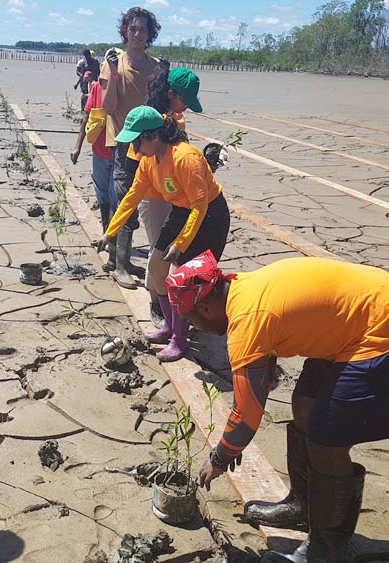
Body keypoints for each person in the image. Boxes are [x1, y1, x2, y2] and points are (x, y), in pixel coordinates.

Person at [169, 253, 389, 563]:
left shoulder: (247, 321)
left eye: (190, 320)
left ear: (206, 306)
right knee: (305, 404)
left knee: (326, 441)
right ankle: (303, 505)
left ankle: (330, 548)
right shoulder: (239, 288)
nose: (193, 328)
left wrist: (219, 458)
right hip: (359, 319)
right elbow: (261, 374)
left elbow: (246, 415)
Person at [96, 107, 230, 362]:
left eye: (137, 141)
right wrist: (109, 234)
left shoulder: (185, 158)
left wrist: (180, 244)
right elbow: (132, 197)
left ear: (154, 136)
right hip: (182, 212)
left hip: (209, 216)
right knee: (157, 270)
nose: (133, 147)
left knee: (179, 279)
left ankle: (180, 341)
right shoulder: (148, 160)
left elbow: (200, 205)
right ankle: (170, 326)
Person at [100, 6, 162, 289]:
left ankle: (118, 256)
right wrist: (113, 74)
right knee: (126, 199)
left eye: (143, 30)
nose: (137, 34)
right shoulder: (114, 62)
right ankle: (121, 264)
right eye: (132, 29)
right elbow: (109, 107)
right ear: (125, 31)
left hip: (149, 145)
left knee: (142, 199)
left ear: (150, 35)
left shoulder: (156, 67)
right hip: (123, 142)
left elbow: (161, 108)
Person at [140, 63, 203, 326]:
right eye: (184, 100)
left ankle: (174, 312)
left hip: (176, 199)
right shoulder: (150, 121)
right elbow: (140, 161)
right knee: (159, 253)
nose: (186, 106)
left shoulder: (176, 119)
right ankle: (157, 303)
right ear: (171, 95)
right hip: (156, 198)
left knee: (172, 255)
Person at [71, 75, 117, 269]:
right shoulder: (97, 87)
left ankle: (113, 241)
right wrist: (77, 147)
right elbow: (87, 117)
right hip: (99, 152)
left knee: (116, 197)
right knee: (103, 195)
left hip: (119, 154)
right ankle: (106, 232)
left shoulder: (125, 87)